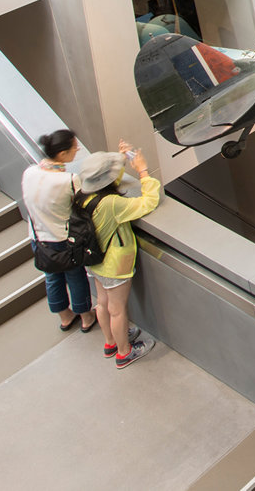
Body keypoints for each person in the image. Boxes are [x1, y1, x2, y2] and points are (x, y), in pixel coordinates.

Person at [79, 146, 161, 367]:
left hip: (93, 260)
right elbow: (148, 203)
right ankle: (124, 352)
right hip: (114, 265)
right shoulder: (111, 204)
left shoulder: (82, 195)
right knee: (117, 310)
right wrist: (143, 171)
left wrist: (121, 162)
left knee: (103, 304)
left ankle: (110, 343)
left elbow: (107, 184)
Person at [22, 128, 93, 333]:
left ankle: (65, 316)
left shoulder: (30, 172)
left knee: (52, 277)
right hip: (63, 239)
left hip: (38, 237)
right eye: (74, 147)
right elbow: (81, 204)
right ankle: (86, 317)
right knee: (75, 275)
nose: (77, 149)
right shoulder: (68, 180)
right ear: (62, 154)